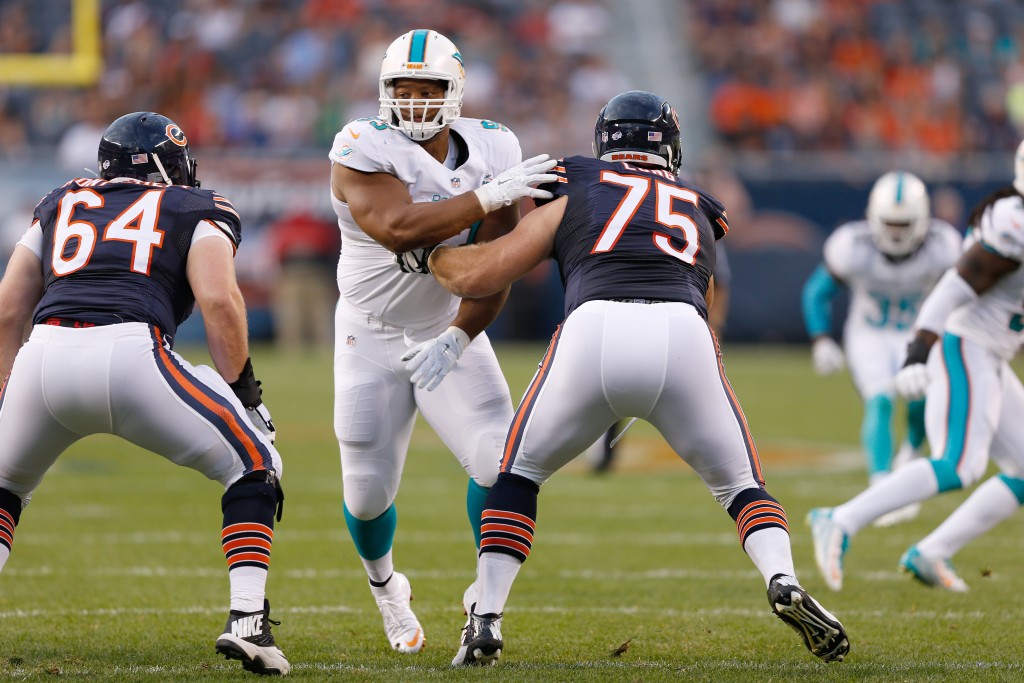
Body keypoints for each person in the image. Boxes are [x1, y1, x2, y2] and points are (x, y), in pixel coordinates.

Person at [427, 90, 850, 666]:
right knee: (743, 487)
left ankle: (487, 618)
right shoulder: (698, 202)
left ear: (604, 140)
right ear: (670, 147)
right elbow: (707, 281)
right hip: (684, 333)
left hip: (594, 326)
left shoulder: (574, 180)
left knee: (517, 474)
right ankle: (783, 579)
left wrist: (429, 257)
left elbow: (487, 273)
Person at [0, 112, 289, 675]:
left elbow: (10, 305)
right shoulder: (193, 206)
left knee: (4, 486)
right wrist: (246, 394)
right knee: (256, 462)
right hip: (132, 352)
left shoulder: (60, 200)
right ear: (165, 165)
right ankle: (248, 619)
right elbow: (220, 301)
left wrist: (4, 387)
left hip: (44, 354)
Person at [327, 29, 556, 653]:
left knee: (499, 460)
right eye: (404, 88)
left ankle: (485, 598)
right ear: (384, 90)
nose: (416, 100)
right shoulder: (358, 144)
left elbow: (497, 264)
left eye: (429, 88)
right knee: (367, 491)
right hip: (367, 335)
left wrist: (458, 337)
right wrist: (485, 196)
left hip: (443, 326)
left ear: (455, 91)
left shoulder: (493, 145)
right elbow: (398, 228)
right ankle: (386, 590)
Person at [809, 141, 1024, 593]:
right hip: (967, 344)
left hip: (993, 349)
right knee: (959, 464)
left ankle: (932, 552)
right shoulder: (1014, 224)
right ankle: (841, 518)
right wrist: (918, 351)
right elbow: (952, 289)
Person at [801, 172, 961, 526]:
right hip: (869, 334)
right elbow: (816, 292)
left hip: (918, 333)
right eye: (890, 222)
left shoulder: (943, 245)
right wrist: (821, 338)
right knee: (882, 399)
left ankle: (910, 453)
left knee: (921, 400)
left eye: (904, 224)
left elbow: (963, 296)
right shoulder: (852, 246)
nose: (897, 232)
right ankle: (879, 484)